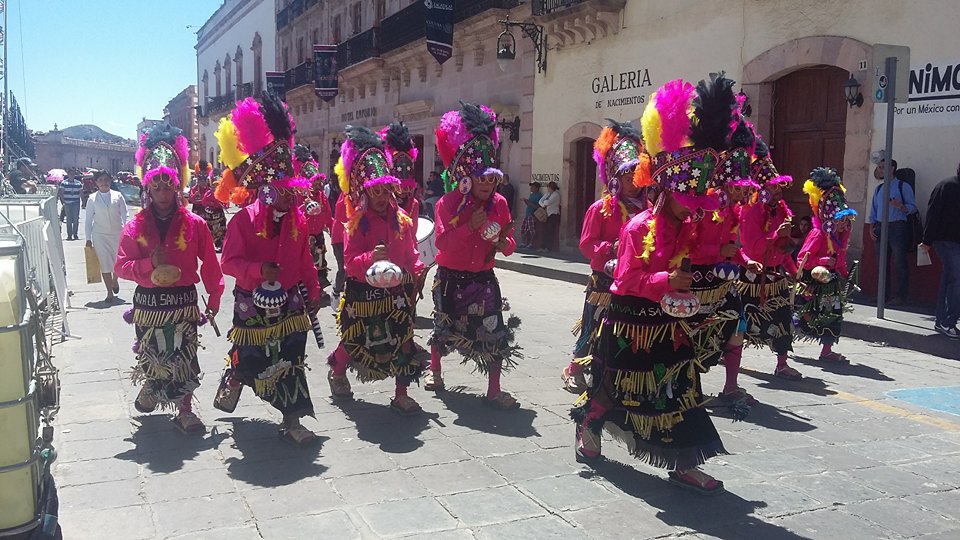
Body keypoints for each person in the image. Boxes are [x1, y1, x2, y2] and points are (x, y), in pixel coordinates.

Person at [572, 76, 733, 494]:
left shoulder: (690, 227)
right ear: (666, 191)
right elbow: (625, 280)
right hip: (630, 325)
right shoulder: (638, 227)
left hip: (671, 325)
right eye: (689, 201)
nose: (694, 209)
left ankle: (684, 463)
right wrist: (666, 279)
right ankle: (589, 427)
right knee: (615, 391)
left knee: (682, 391)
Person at [214, 93, 321, 446]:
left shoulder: (299, 221)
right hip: (251, 305)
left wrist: (314, 294)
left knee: (291, 357)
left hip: (290, 305)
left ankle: (292, 420)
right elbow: (228, 263)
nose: (291, 198)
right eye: (283, 191)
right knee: (253, 360)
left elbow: (305, 260)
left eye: (293, 191)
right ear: (265, 190)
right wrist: (260, 269)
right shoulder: (243, 221)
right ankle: (237, 373)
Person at [115, 123, 224, 433]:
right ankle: (152, 384)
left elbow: (211, 266)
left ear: (178, 186)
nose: (163, 191)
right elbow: (121, 266)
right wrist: (149, 263)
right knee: (154, 354)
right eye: (156, 185)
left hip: (183, 302)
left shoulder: (196, 223)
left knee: (185, 357)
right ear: (147, 188)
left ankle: (185, 409)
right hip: (149, 303)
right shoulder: (135, 226)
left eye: (168, 185)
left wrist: (214, 299)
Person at [427, 102, 522, 409]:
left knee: (495, 330)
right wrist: (469, 226)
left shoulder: (500, 204)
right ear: (466, 177)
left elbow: (509, 245)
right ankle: (435, 370)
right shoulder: (447, 203)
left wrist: (502, 242)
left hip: (483, 278)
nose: (487, 184)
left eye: (492, 179)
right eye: (481, 178)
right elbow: (442, 242)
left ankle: (494, 389)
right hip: (450, 279)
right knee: (444, 329)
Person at [326, 125, 426, 414]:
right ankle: (338, 370)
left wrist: (416, 270)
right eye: (375, 191)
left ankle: (401, 393)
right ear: (365, 192)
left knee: (403, 339)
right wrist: (371, 256)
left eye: (386, 190)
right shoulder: (355, 222)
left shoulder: (403, 220)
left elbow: (411, 253)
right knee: (355, 339)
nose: (381, 196)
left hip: (397, 291)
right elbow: (349, 262)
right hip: (363, 291)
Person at [560, 120, 648, 394]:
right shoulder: (600, 209)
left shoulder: (647, 208)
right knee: (592, 324)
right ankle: (574, 369)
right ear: (614, 177)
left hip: (634, 281)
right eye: (626, 175)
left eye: (637, 175)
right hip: (604, 282)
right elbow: (587, 245)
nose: (633, 182)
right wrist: (612, 247)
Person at [689, 109, 760, 406]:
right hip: (696, 279)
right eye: (739, 189)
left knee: (737, 326)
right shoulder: (703, 205)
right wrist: (719, 253)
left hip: (725, 280)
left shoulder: (732, 208)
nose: (743, 196)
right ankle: (689, 388)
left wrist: (745, 260)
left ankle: (731, 387)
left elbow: (732, 245)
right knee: (692, 337)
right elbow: (686, 247)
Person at [738, 137, 800, 379]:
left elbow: (783, 248)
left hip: (776, 276)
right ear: (761, 190)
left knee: (783, 319)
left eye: (778, 187)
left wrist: (794, 271)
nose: (777, 191)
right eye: (772, 187)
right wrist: (776, 234)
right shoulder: (750, 211)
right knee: (742, 322)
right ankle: (731, 358)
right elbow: (753, 247)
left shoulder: (782, 209)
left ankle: (782, 364)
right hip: (754, 277)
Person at [795, 167, 858, 361]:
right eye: (840, 220)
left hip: (830, 284)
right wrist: (821, 261)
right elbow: (801, 259)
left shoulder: (840, 238)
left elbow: (839, 261)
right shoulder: (817, 234)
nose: (844, 224)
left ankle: (827, 351)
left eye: (846, 220)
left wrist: (846, 275)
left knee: (832, 315)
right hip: (813, 283)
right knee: (807, 316)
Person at [920, 164, 960, 339]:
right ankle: (947, 321)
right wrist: (927, 240)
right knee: (957, 279)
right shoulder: (946, 186)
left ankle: (942, 320)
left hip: (954, 242)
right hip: (945, 241)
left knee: (950, 278)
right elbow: (933, 213)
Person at [868, 159, 915, 305]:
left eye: (883, 167)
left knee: (900, 262)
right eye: (879, 167)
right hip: (880, 227)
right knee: (882, 263)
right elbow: (874, 210)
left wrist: (900, 206)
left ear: (892, 168)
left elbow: (913, 207)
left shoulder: (903, 186)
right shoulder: (879, 189)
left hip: (897, 227)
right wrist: (871, 227)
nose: (880, 170)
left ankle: (901, 296)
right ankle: (883, 295)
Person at [293, 145, 333, 306]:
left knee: (321, 262)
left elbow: (327, 213)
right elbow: (295, 214)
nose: (318, 185)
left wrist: (331, 227)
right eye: (315, 182)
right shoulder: (300, 196)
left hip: (318, 235)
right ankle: (304, 291)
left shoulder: (322, 196)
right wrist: (306, 206)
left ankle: (320, 290)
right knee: (307, 263)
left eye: (319, 182)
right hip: (305, 236)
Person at [85, 170, 128, 303]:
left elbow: (125, 215)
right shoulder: (92, 198)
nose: (104, 183)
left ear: (110, 181)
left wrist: (127, 232)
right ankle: (109, 291)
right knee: (104, 263)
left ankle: (115, 280)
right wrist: (88, 239)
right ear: (96, 183)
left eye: (106, 180)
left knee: (118, 261)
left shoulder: (118, 196)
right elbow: (88, 220)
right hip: (100, 235)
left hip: (117, 233)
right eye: (100, 180)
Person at [188, 160, 228, 251]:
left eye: (204, 179)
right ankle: (198, 245)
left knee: (219, 220)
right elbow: (191, 199)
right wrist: (196, 195)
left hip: (211, 213)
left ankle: (219, 243)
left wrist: (213, 204)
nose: (202, 182)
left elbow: (217, 200)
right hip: (199, 211)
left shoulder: (211, 189)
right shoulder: (194, 189)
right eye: (200, 179)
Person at [59, 172, 84, 240]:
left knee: (76, 219)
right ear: (68, 175)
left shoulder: (78, 183)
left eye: (73, 174)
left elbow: (81, 193)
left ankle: (75, 234)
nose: (72, 176)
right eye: (70, 174)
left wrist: (83, 201)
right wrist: (63, 201)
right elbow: (61, 193)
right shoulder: (64, 183)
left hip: (76, 202)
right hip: (67, 203)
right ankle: (69, 235)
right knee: (69, 219)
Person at [538, 181, 561, 252]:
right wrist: (544, 203)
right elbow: (540, 201)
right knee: (544, 231)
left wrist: (544, 203)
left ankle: (548, 248)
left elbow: (547, 202)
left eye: (548, 187)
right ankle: (543, 246)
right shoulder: (548, 194)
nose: (547, 189)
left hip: (553, 215)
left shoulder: (556, 195)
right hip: (547, 215)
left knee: (550, 232)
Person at [519, 182, 543, 249]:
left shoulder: (539, 196)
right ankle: (523, 243)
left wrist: (528, 201)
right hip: (527, 214)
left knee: (532, 230)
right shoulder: (531, 195)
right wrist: (526, 201)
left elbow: (537, 206)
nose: (531, 188)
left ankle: (531, 244)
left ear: (537, 188)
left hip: (532, 215)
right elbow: (529, 204)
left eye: (533, 187)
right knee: (523, 229)